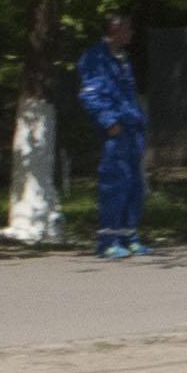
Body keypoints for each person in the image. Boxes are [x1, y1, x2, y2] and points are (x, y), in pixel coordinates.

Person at [77, 13, 150, 259]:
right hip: (117, 131)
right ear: (114, 30)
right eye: (127, 28)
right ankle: (107, 240)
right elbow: (90, 95)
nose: (130, 33)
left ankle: (129, 236)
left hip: (131, 128)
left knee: (134, 184)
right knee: (115, 183)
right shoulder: (96, 57)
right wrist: (110, 123)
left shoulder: (121, 57)